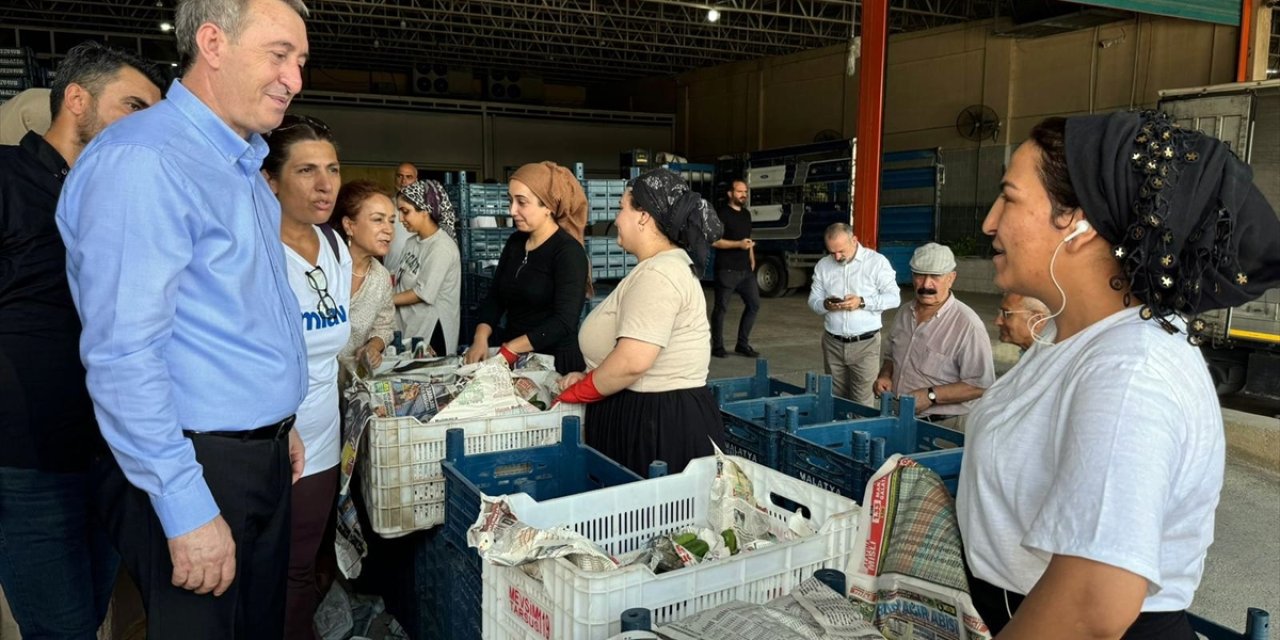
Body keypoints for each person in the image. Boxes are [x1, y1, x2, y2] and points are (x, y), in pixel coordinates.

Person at [958, 112, 1280, 638]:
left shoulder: (1131, 371)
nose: (990, 222)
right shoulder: (1070, 337)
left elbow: (1089, 607)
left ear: (1079, 224)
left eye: (1009, 198)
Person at [54, 1, 312, 638]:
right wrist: (185, 505)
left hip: (259, 454)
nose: (294, 79)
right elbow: (123, 355)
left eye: (301, 61)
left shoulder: (243, 166)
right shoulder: (147, 161)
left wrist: (280, 421)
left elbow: (236, 317)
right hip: (193, 464)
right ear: (213, 42)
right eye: (278, 55)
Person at [0, 41, 163, 640]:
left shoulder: (121, 201)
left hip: (114, 455)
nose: (149, 126)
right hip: (29, 460)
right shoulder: (8, 178)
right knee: (61, 629)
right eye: (134, 106)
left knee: (92, 616)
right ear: (76, 100)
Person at [556, 168, 725, 476]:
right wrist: (592, 376)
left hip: (657, 426)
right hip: (647, 413)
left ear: (644, 216)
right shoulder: (657, 268)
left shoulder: (659, 275)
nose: (617, 218)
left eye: (622, 208)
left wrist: (578, 393)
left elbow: (632, 361)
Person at [262, 113, 350, 640]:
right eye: (306, 171)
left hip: (320, 433)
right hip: (266, 434)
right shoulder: (256, 251)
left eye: (333, 169)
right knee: (264, 568)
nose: (325, 185)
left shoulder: (335, 246)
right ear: (269, 180)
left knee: (301, 566)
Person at [465, 161, 590, 374]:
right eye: (510, 201)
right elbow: (496, 297)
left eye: (521, 202)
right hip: (514, 357)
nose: (512, 211)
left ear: (548, 207)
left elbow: (563, 322)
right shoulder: (515, 242)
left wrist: (512, 348)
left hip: (554, 363)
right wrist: (480, 338)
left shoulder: (568, 253)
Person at [872, 242, 994, 430]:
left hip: (944, 426)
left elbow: (980, 384)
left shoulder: (967, 325)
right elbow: (891, 356)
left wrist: (931, 395)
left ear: (951, 278)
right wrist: (886, 375)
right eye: (920, 275)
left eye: (936, 276)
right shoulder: (904, 313)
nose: (926, 284)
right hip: (901, 419)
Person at [807, 223, 899, 406]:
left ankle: (861, 434)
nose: (837, 257)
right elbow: (813, 301)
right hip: (833, 344)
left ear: (854, 240)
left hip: (865, 345)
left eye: (841, 251)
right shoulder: (823, 266)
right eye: (832, 252)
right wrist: (825, 304)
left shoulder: (876, 263)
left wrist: (862, 302)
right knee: (836, 400)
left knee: (862, 402)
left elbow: (894, 297)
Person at [331, 179, 397, 375]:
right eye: (378, 219)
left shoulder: (380, 277)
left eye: (391, 221)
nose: (389, 229)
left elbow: (385, 325)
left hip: (349, 383)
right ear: (349, 226)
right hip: (312, 385)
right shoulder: (325, 267)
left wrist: (373, 346)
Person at [393, 178, 461, 356]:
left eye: (405, 212)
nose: (401, 219)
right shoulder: (411, 242)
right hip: (410, 327)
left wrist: (383, 301)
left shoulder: (441, 247)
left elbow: (422, 293)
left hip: (431, 332)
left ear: (425, 211)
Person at [710, 179, 761, 358]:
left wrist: (751, 256)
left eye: (745, 192)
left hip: (746, 271)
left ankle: (742, 344)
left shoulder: (746, 214)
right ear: (730, 193)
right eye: (739, 192)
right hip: (727, 270)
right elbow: (715, 241)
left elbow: (748, 238)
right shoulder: (721, 214)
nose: (743, 195)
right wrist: (738, 245)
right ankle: (717, 346)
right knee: (721, 308)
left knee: (754, 305)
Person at [383, 161, 419, 272]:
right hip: (390, 273)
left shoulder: (424, 210)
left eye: (409, 177)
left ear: (416, 181)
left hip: (416, 274)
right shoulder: (386, 205)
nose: (403, 181)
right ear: (395, 179)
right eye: (400, 176)